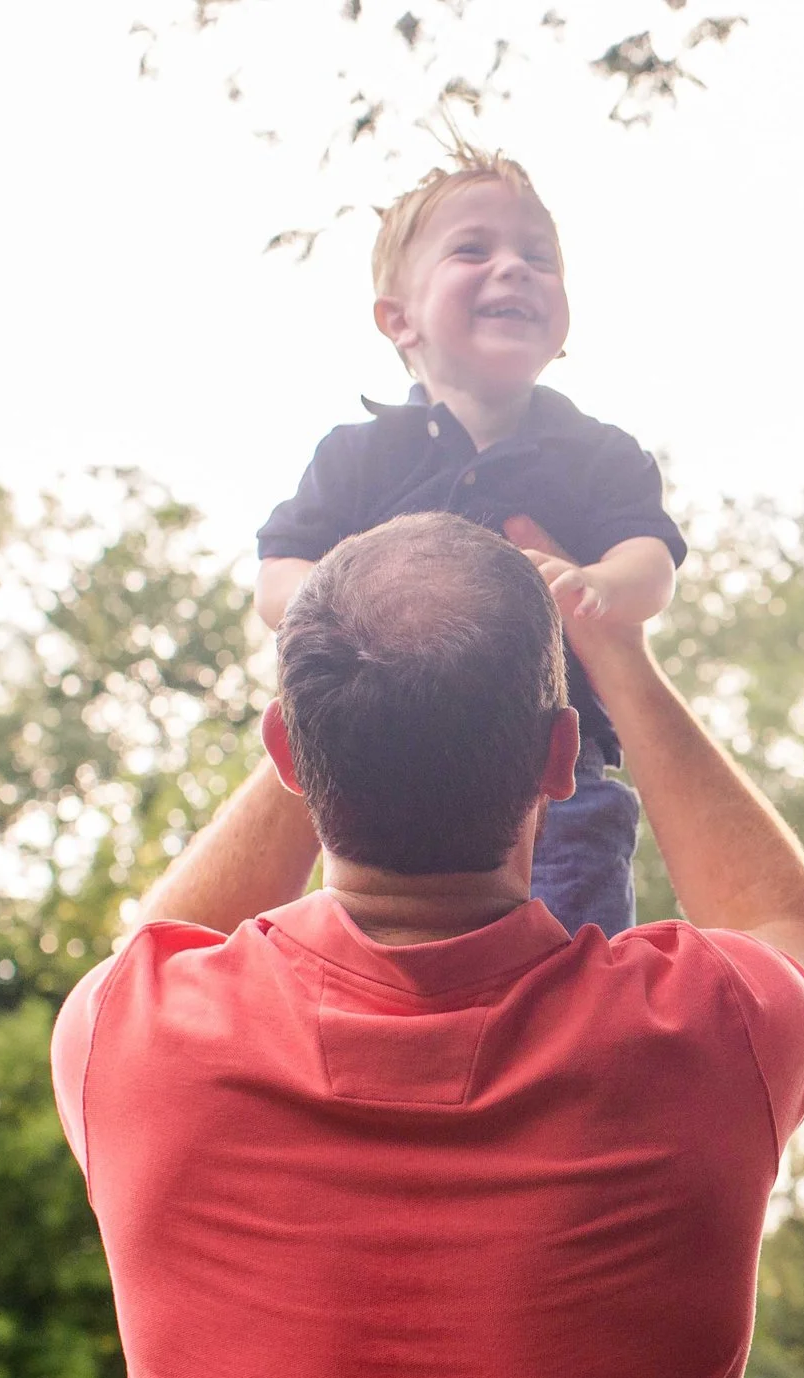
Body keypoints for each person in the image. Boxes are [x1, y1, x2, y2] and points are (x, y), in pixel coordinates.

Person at [50, 511, 804, 1378]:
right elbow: (789, 928)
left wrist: (338, 727)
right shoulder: (708, 1036)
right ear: (562, 759)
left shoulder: (133, 1042)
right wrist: (617, 651)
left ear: (285, 748)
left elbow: (163, 937)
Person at [255, 142, 680, 939]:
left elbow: (650, 563)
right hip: (374, 765)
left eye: (538, 256)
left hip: (553, 775)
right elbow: (276, 577)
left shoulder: (596, 453)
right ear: (398, 317)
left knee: (565, 958)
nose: (514, 268)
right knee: (377, 948)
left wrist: (597, 583)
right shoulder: (358, 456)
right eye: (473, 249)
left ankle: (562, 1052)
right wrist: (342, 590)